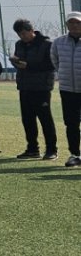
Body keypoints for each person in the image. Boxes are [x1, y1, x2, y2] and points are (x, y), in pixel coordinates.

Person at [9, 18, 58, 159]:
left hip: (41, 87)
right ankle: (32, 149)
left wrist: (28, 66)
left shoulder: (47, 44)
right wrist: (15, 62)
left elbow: (51, 65)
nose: (22, 36)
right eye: (19, 34)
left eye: (24, 33)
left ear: (31, 30)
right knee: (27, 119)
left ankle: (51, 150)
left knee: (45, 119)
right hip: (24, 86)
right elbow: (21, 63)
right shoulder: (19, 44)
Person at [53, 12, 81, 166]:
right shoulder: (58, 42)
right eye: (71, 22)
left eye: (78, 22)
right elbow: (55, 61)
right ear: (67, 25)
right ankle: (75, 154)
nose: (75, 25)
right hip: (67, 89)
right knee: (71, 123)